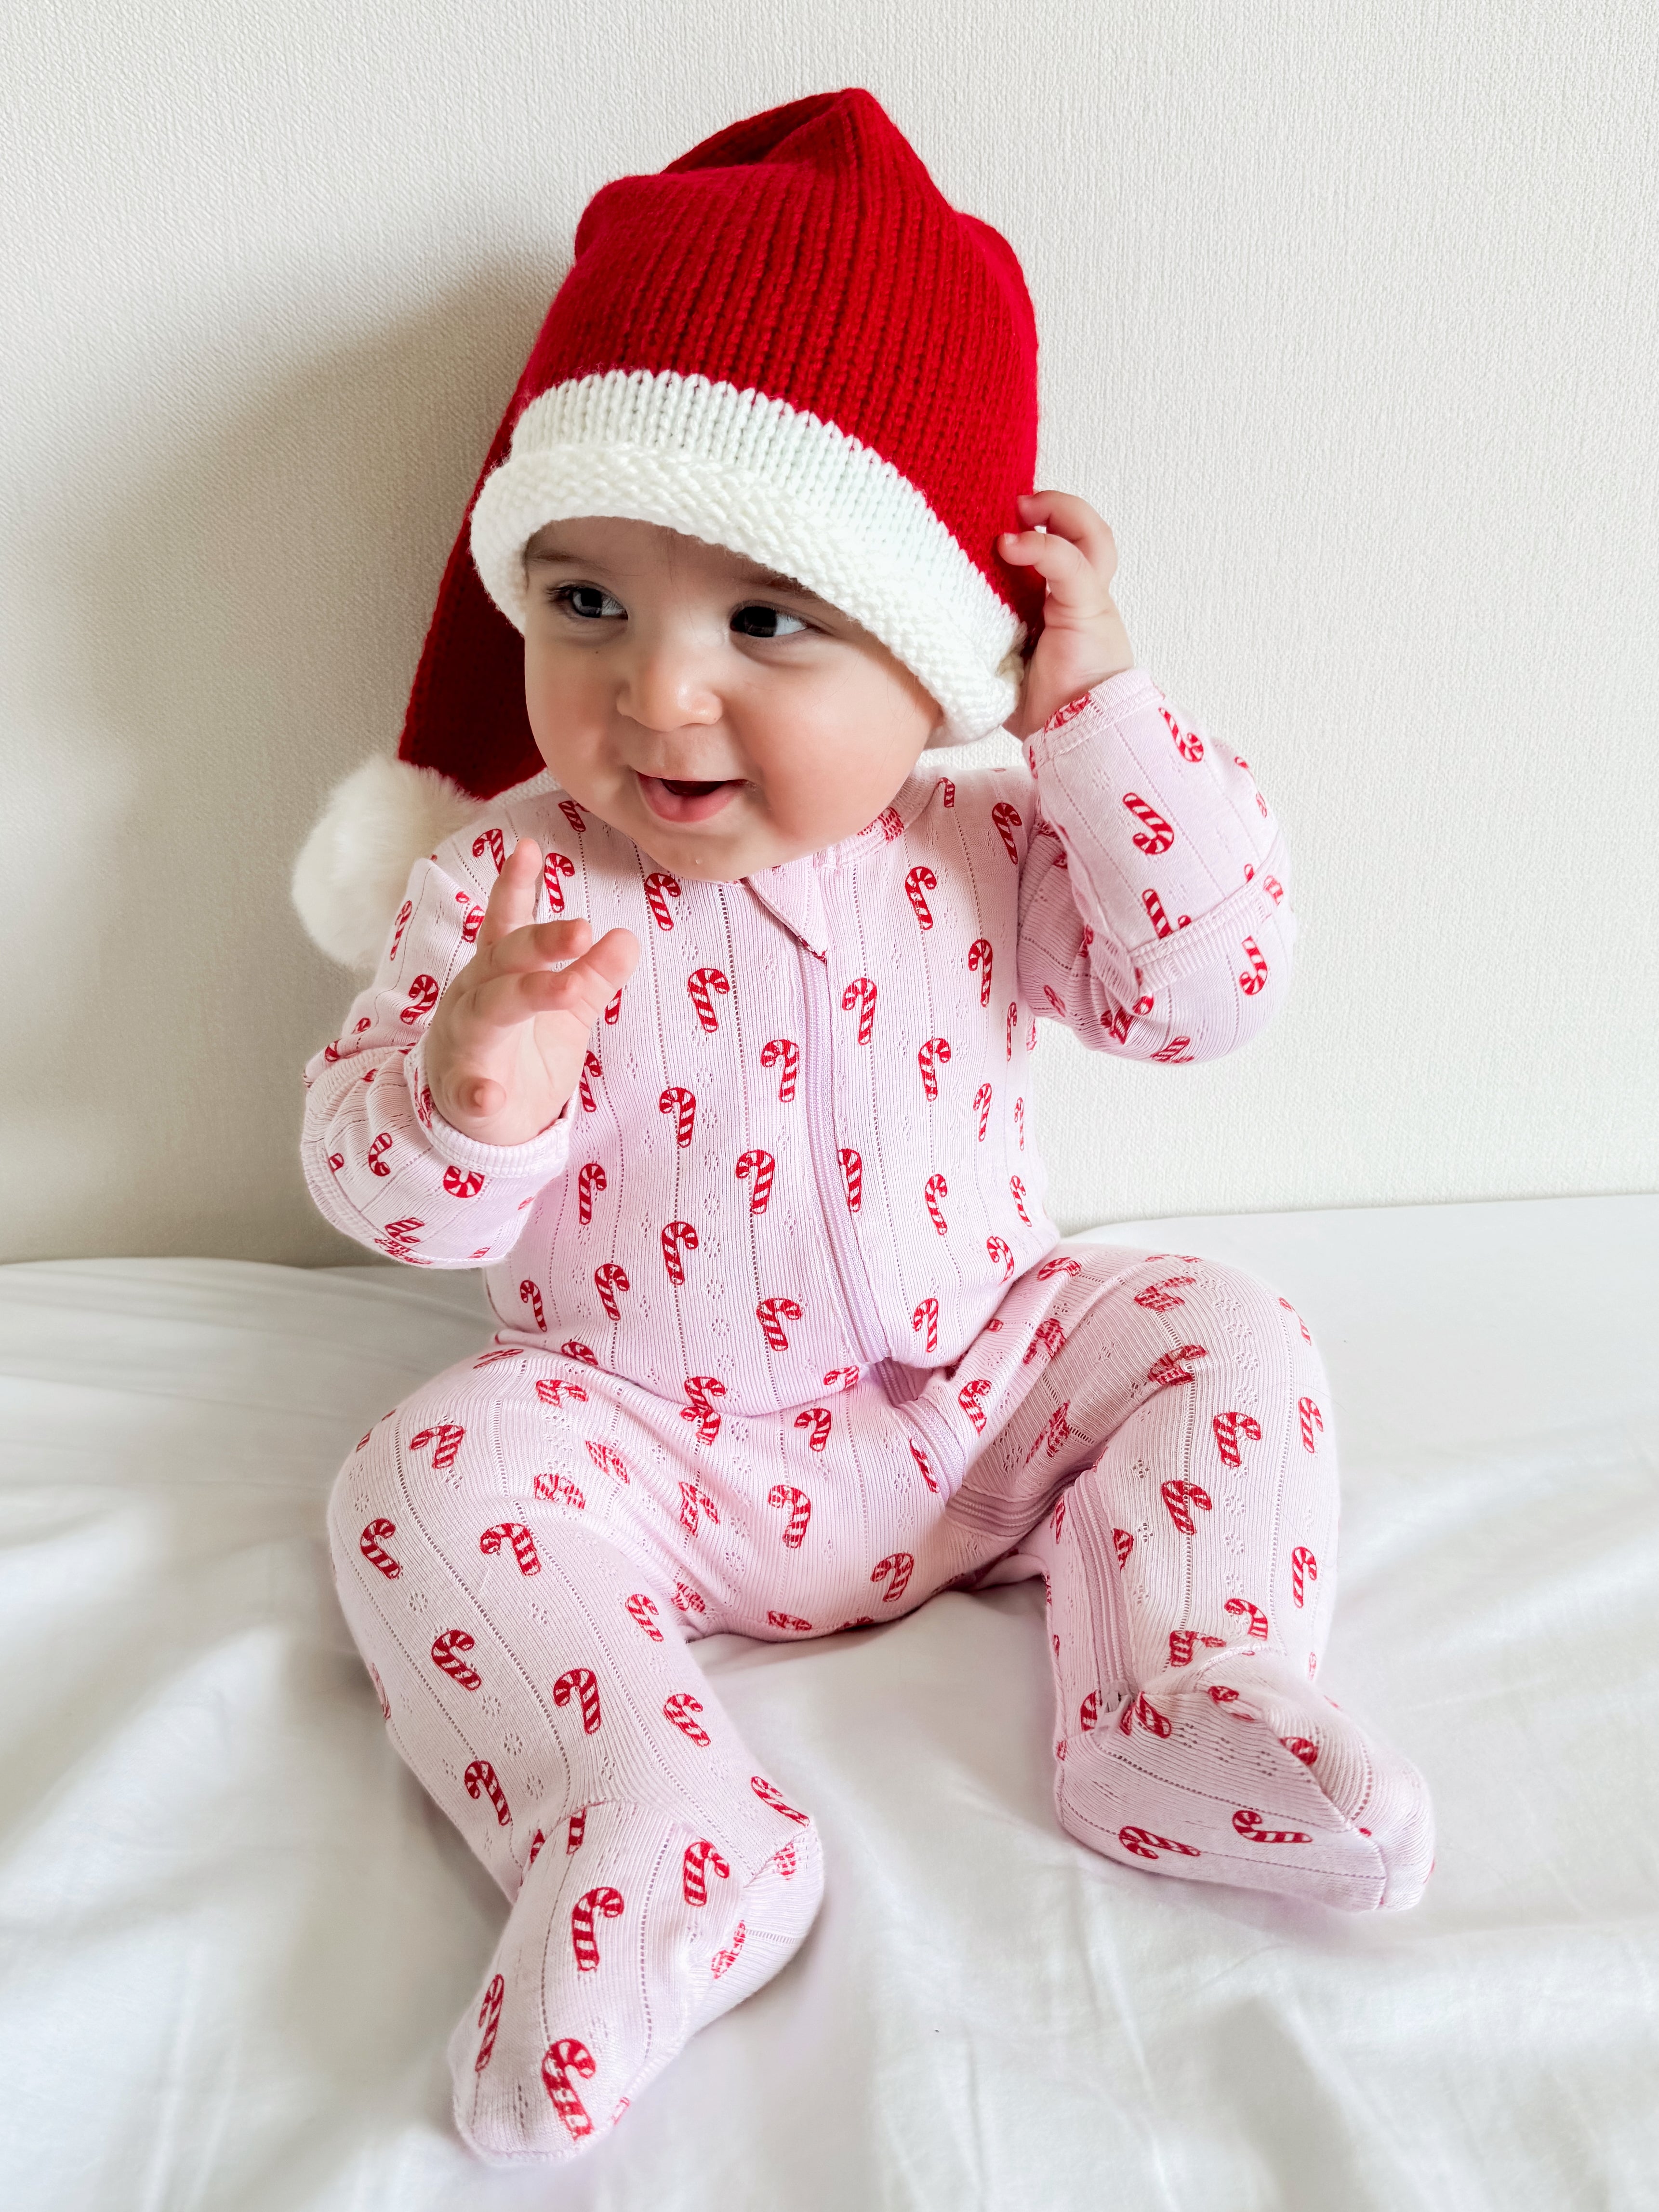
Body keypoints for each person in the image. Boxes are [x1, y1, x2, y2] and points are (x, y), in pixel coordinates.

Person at [291, 88, 1433, 2167]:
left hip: (983, 1391)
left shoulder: (987, 841)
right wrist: (471, 1088)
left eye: (770, 620)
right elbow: (375, 1192)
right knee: (423, 1473)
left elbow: (1207, 988)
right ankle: (656, 1811)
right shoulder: (506, 890)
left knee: (1220, 1324)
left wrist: (1100, 723)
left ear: (941, 649)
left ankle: (1174, 1687)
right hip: (660, 1443)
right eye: (589, 603)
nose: (658, 700)